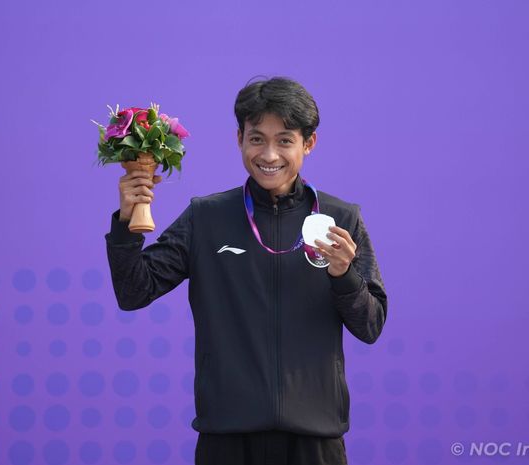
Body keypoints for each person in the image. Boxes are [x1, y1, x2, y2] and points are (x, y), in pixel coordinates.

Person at [105, 77, 388, 465]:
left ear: (309, 143)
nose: (269, 154)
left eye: (285, 140)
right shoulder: (206, 217)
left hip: (315, 441)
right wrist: (125, 224)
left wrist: (344, 276)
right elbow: (134, 292)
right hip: (227, 437)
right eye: (257, 139)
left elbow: (371, 326)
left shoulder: (342, 219)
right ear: (239, 138)